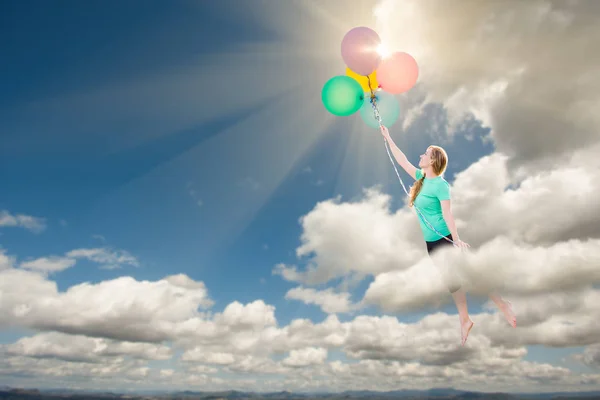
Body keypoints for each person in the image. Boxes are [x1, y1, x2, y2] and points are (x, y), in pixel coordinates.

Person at [380, 125, 516, 346]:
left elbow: (447, 213)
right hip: (431, 243)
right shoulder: (421, 179)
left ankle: (502, 304)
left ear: (433, 161)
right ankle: (465, 319)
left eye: (425, 154)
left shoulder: (440, 185)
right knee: (453, 282)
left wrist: (456, 239)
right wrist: (388, 137)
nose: (421, 155)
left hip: (443, 238)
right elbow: (402, 160)